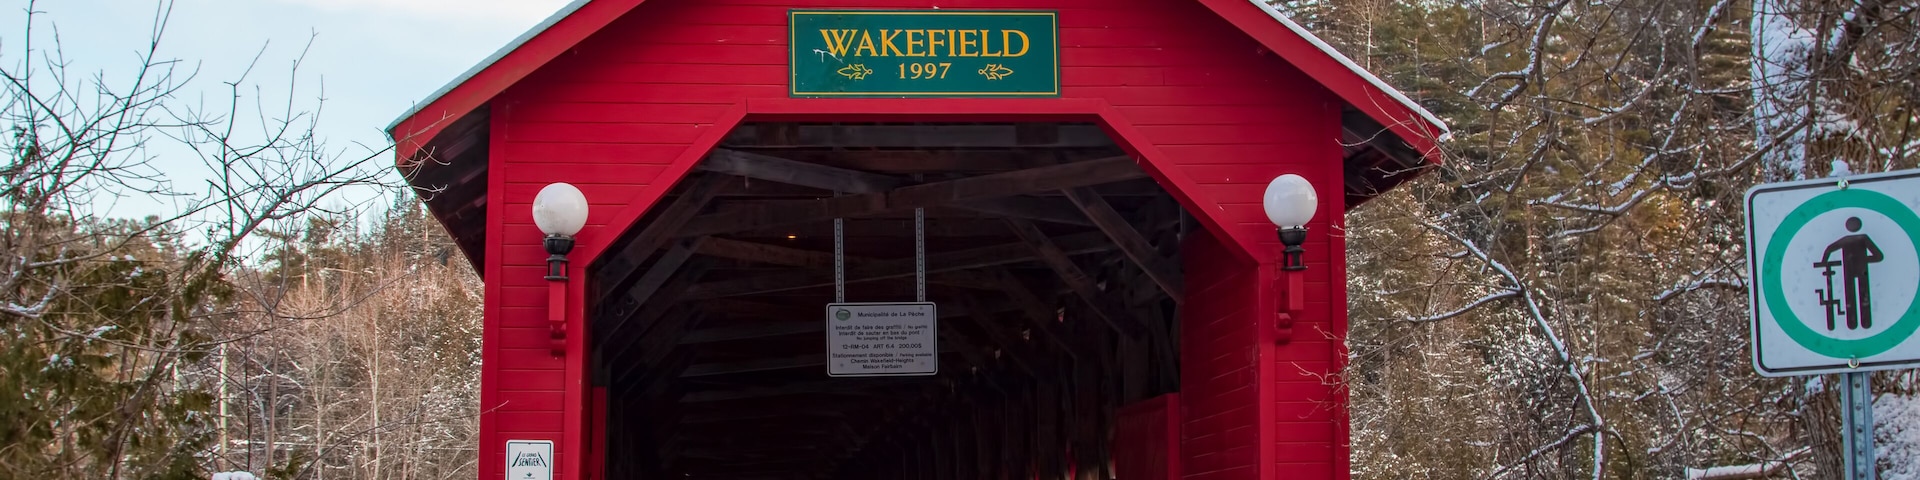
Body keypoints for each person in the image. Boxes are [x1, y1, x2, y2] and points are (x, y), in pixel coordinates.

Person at [1820, 217, 1884, 330]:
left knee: (1860, 295)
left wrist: (1863, 260)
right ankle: (1857, 323)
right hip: (1854, 271)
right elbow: (1878, 256)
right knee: (1855, 295)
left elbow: (1878, 256)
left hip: (1856, 271)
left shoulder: (1856, 239)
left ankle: (1860, 323)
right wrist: (1863, 260)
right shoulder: (1859, 239)